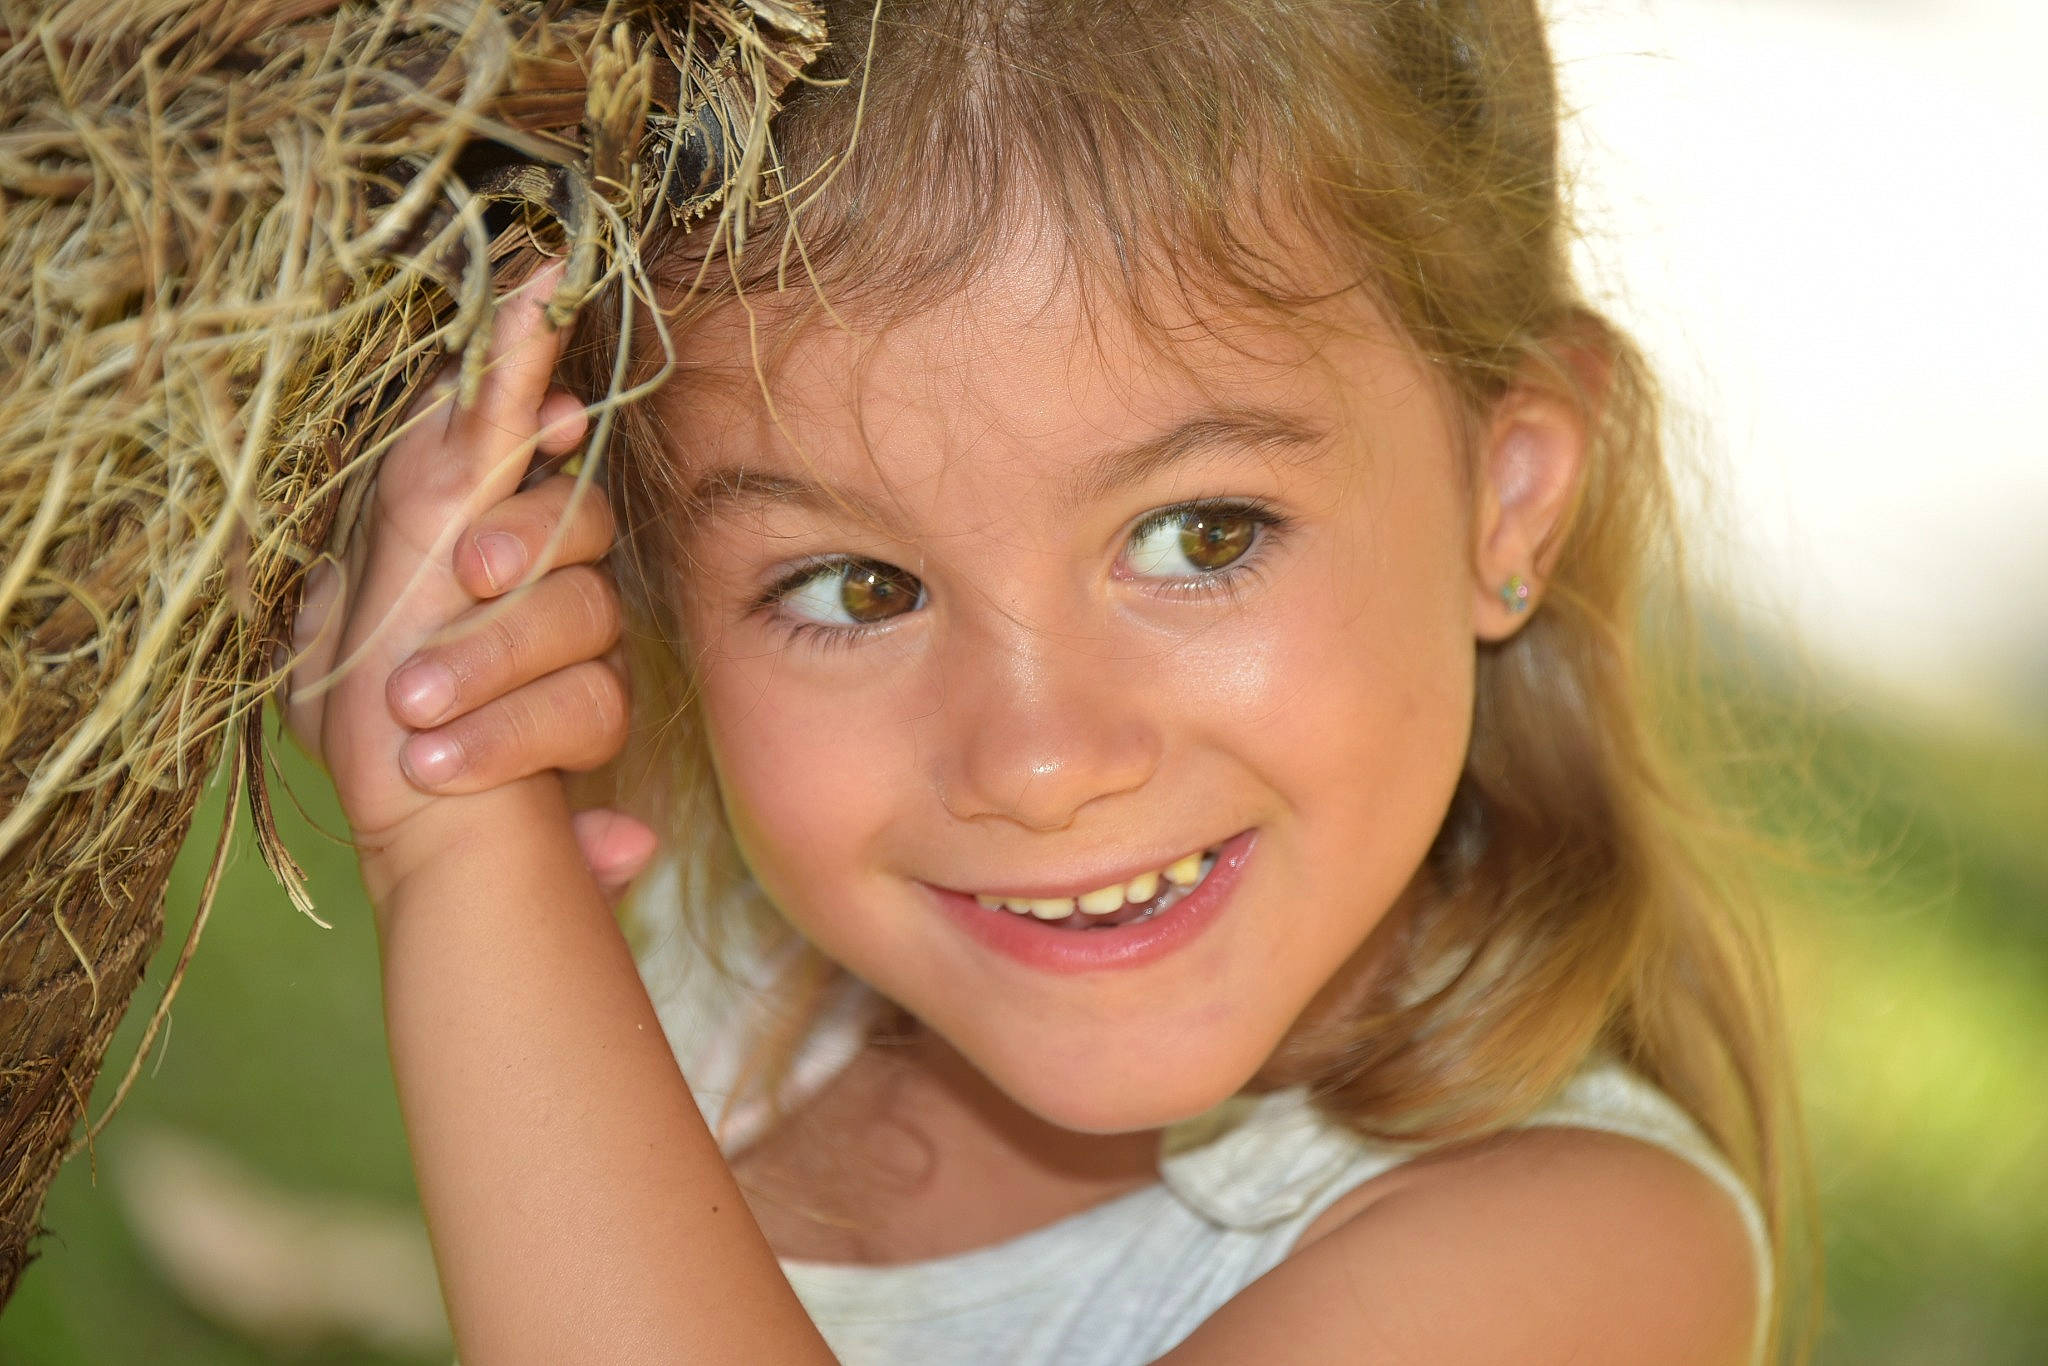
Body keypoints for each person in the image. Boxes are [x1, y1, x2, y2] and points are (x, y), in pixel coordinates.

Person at [284, 2, 1809, 1361]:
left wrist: (458, 860)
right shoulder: (748, 951)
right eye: (856, 588)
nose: (1036, 758)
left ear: (1512, 496)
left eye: (1201, 536)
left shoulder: (1583, 1256)